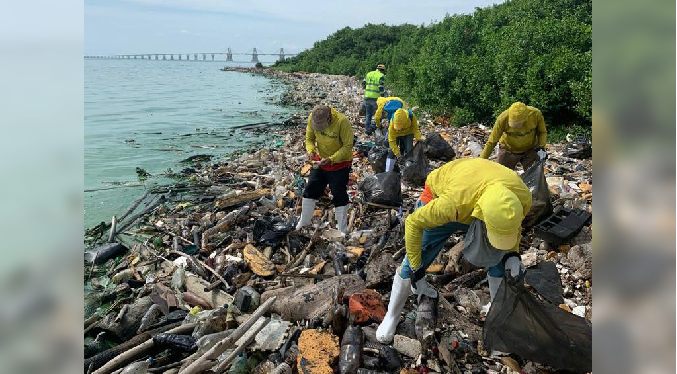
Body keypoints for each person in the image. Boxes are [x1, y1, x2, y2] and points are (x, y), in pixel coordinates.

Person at [375, 158, 532, 344]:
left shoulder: (522, 197)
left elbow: (513, 228)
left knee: (500, 257)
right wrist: (417, 270)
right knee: (419, 254)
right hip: (443, 194)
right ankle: (392, 316)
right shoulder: (451, 204)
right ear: (480, 216)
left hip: (479, 197)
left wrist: (512, 254)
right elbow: (412, 223)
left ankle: (497, 314)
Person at [296, 105, 354, 234]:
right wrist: (311, 151)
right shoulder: (313, 117)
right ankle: (304, 221)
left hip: (340, 163)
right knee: (311, 188)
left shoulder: (342, 122)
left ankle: (342, 229)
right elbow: (309, 139)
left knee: (339, 193)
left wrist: (332, 159)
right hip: (320, 161)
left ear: (329, 118)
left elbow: (348, 146)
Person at [480, 102, 547, 170]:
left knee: (533, 174)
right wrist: (480, 161)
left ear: (525, 119)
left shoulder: (535, 114)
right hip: (508, 150)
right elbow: (492, 141)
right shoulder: (502, 119)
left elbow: (542, 132)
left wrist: (541, 147)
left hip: (530, 150)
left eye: (518, 124)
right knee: (501, 173)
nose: (515, 127)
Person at [385, 108, 422, 172]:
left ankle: (409, 170)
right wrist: (398, 155)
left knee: (409, 150)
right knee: (392, 151)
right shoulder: (392, 123)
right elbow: (392, 141)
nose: (399, 129)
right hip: (396, 135)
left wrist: (419, 138)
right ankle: (388, 171)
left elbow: (415, 129)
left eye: (400, 127)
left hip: (408, 133)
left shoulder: (411, 116)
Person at [362, 64, 386, 135]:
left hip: (367, 96)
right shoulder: (381, 76)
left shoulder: (369, 74)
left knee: (368, 114)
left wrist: (366, 89)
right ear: (383, 70)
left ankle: (367, 130)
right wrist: (382, 96)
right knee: (378, 113)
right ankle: (375, 127)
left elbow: (363, 83)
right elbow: (381, 87)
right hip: (376, 98)